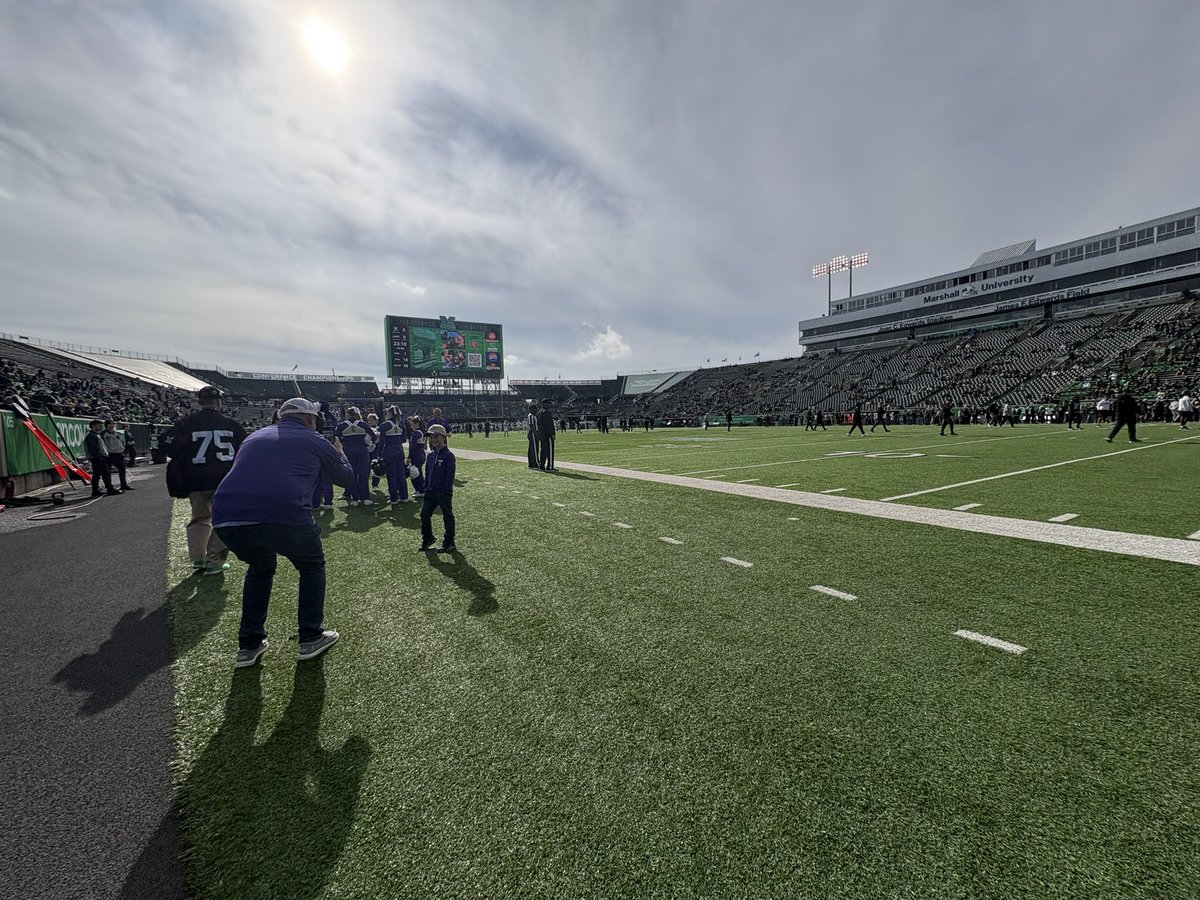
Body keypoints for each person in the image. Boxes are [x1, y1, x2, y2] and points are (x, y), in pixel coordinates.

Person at [213, 397, 355, 669]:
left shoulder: (254, 437)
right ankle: (310, 635)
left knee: (260, 568)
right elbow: (345, 478)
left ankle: (249, 644)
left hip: (227, 517)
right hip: (284, 513)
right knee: (312, 566)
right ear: (311, 419)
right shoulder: (314, 440)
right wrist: (341, 452)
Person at [162, 386, 246, 574]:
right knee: (224, 519)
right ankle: (214, 559)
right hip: (225, 479)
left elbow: (169, 448)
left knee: (199, 518)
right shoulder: (231, 425)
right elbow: (245, 451)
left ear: (199, 402)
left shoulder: (187, 423)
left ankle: (198, 557)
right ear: (219, 402)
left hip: (195, 479)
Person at [418, 424, 456, 552]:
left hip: (443, 492)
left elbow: (450, 476)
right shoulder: (431, 456)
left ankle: (449, 541)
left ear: (443, 437)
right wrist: (426, 487)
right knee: (424, 515)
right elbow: (428, 473)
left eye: (436, 437)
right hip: (430, 491)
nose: (433, 440)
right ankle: (428, 538)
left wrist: (445, 490)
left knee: (447, 516)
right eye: (431, 438)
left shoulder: (448, 456)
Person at [335, 406, 377, 506]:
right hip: (362, 451)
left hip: (348, 452)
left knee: (352, 474)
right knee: (363, 475)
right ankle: (365, 498)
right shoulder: (363, 424)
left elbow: (336, 439)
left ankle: (355, 499)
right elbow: (374, 437)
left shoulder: (342, 425)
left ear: (347, 415)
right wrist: (367, 443)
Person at [377, 406, 409, 504]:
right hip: (399, 450)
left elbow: (381, 441)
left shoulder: (384, 425)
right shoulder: (401, 424)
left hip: (389, 451)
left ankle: (393, 498)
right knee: (401, 475)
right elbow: (404, 439)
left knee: (392, 475)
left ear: (389, 413)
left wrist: (379, 454)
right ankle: (404, 497)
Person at [85, 419, 119, 497]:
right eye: (99, 426)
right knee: (105, 474)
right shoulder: (91, 436)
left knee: (98, 474)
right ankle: (109, 489)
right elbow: (93, 448)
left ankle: (96, 491)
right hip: (98, 458)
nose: (101, 427)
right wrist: (99, 456)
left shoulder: (96, 435)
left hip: (99, 457)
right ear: (93, 426)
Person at [101, 419, 134, 490]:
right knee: (107, 471)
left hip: (118, 453)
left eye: (113, 424)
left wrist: (122, 450)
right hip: (109, 454)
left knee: (122, 469)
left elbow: (119, 442)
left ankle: (124, 484)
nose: (112, 425)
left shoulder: (116, 433)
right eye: (110, 424)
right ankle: (109, 487)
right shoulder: (103, 433)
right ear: (107, 425)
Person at [407, 416, 426, 498]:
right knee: (418, 473)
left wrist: (409, 457)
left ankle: (421, 490)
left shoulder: (416, 433)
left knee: (416, 473)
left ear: (417, 424)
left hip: (417, 455)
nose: (411, 427)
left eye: (412, 425)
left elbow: (412, 447)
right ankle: (418, 489)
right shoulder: (420, 432)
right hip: (420, 454)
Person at [536, 401, 556, 471]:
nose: (549, 405)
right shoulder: (546, 413)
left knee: (543, 451)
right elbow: (549, 425)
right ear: (544, 404)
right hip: (547, 435)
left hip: (541, 435)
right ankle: (550, 466)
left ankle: (542, 465)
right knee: (550, 451)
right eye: (548, 404)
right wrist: (552, 433)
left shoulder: (538, 413)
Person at [526, 402, 540, 469]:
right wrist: (535, 433)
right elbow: (532, 425)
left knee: (531, 448)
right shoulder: (531, 416)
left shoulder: (532, 415)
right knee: (534, 449)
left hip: (532, 433)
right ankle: (536, 463)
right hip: (533, 433)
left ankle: (531, 463)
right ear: (531, 409)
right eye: (535, 409)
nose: (536, 410)